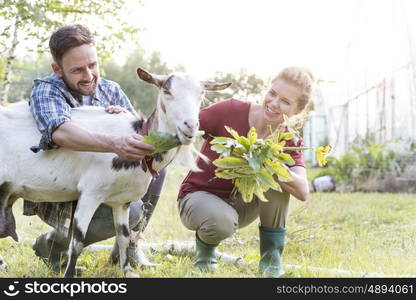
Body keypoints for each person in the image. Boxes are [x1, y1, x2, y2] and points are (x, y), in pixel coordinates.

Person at [24, 24, 166, 273]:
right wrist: (113, 141)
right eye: (77, 70)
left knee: (154, 167)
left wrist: (126, 122)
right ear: (58, 69)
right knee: (128, 210)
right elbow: (60, 131)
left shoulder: (112, 90)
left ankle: (130, 244)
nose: (89, 76)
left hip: (105, 183)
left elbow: (140, 143)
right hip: (61, 193)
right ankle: (54, 243)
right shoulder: (46, 90)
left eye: (93, 65)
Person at [177, 66, 316, 277]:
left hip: (240, 205)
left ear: (298, 111)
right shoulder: (229, 111)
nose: (274, 103)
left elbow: (303, 190)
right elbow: (184, 124)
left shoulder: (288, 139)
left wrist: (268, 163)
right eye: (272, 94)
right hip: (198, 198)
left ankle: (271, 261)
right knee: (221, 221)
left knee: (281, 179)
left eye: (285, 102)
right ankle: (205, 254)